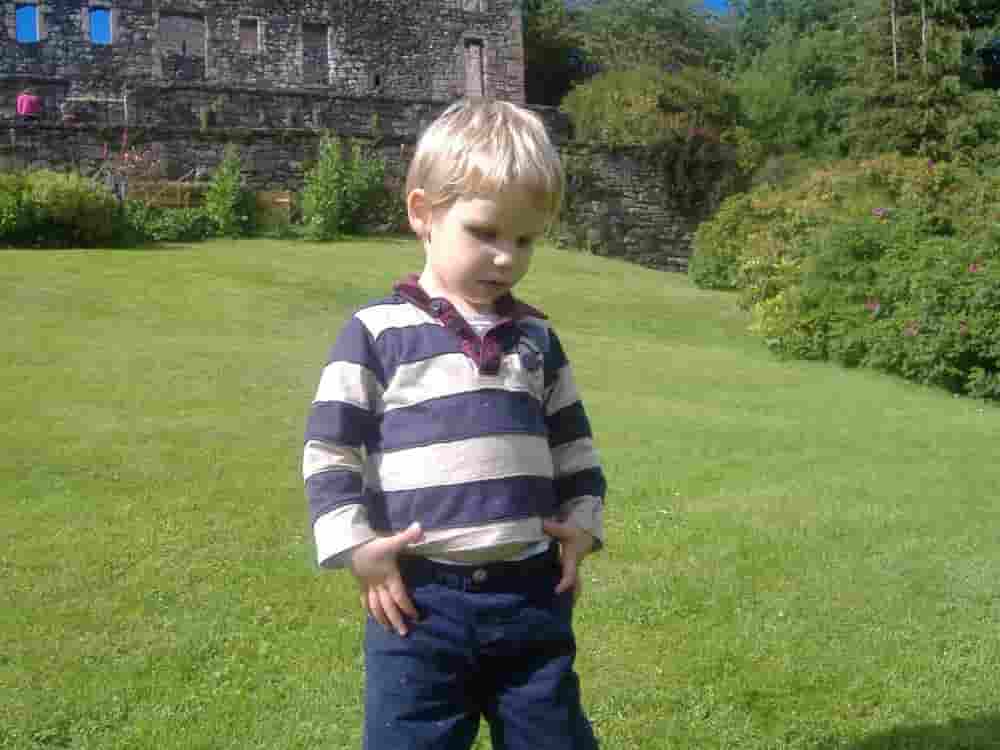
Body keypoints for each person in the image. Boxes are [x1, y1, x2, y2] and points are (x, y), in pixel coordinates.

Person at [302, 98, 607, 750]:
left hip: (531, 596)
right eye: (485, 232)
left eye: (525, 240)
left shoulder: (537, 340)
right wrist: (356, 547)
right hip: (418, 606)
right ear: (423, 214)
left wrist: (582, 524)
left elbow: (574, 445)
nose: (506, 258)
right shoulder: (376, 334)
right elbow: (330, 449)